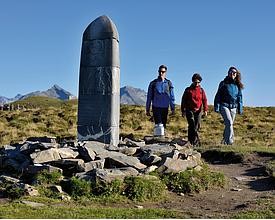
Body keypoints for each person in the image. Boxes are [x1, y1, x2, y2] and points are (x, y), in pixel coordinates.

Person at [214, 66, 244, 145]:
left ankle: (224, 140)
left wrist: (240, 108)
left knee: (229, 125)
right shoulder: (223, 83)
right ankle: (230, 142)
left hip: (233, 107)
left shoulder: (238, 85)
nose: (232, 74)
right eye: (231, 72)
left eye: (234, 73)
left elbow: (240, 97)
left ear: (236, 74)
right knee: (229, 123)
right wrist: (216, 107)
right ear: (228, 73)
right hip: (224, 106)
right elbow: (218, 95)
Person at [181, 73, 208, 146]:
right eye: (195, 82)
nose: (197, 84)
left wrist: (205, 110)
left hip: (198, 110)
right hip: (189, 110)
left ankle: (194, 141)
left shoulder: (201, 90)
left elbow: (204, 100)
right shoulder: (188, 90)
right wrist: (183, 110)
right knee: (192, 125)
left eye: (198, 82)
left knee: (197, 125)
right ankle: (191, 141)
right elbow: (183, 100)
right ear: (193, 81)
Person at [146, 64, 175, 129]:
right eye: (160, 71)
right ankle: (158, 137)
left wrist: (173, 108)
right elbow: (149, 97)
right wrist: (147, 109)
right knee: (158, 125)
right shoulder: (153, 83)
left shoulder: (168, 83)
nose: (161, 73)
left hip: (165, 107)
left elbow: (172, 97)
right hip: (156, 107)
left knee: (163, 125)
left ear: (165, 73)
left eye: (163, 72)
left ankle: (162, 137)